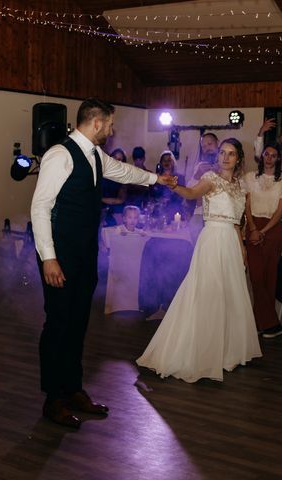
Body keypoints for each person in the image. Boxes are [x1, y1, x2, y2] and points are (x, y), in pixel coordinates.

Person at [30, 98, 171, 428]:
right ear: (96, 123)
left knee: (78, 324)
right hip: (60, 256)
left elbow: (123, 171)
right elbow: (40, 209)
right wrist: (49, 258)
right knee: (59, 326)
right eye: (109, 124)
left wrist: (157, 180)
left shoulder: (95, 154)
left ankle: (73, 389)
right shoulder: (59, 155)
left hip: (85, 254)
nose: (112, 130)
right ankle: (53, 399)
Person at [137, 138, 262, 382]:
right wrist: (174, 186)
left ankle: (228, 352)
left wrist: (243, 249)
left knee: (229, 294)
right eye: (223, 153)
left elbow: (238, 224)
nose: (225, 157)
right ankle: (198, 353)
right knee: (207, 293)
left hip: (231, 242)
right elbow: (191, 193)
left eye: (231, 154)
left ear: (238, 159)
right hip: (212, 240)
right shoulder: (210, 179)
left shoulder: (241, 186)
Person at [243, 143, 282, 338]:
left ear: (278, 158)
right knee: (255, 277)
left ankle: (259, 322)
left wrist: (263, 230)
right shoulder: (249, 177)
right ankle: (272, 324)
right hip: (253, 225)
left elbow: (281, 210)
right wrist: (253, 228)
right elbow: (245, 204)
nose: (270, 158)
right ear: (261, 156)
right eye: (267, 154)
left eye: (273, 155)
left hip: (273, 230)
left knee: (269, 277)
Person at [187, 132, 219, 241]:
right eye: (204, 147)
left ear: (217, 143)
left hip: (219, 215)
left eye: (209, 144)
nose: (207, 148)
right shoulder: (200, 166)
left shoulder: (225, 164)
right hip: (200, 213)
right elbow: (189, 191)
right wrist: (197, 175)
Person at [151, 150, 186, 221]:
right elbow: (152, 196)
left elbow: (181, 197)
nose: (167, 163)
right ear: (161, 163)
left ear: (173, 162)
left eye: (169, 160)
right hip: (158, 214)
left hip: (175, 213)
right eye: (164, 161)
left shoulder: (180, 178)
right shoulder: (156, 178)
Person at [101, 148, 128, 225]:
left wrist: (101, 199)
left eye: (119, 159)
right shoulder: (101, 173)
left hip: (113, 210)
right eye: (114, 157)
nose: (115, 160)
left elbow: (120, 200)